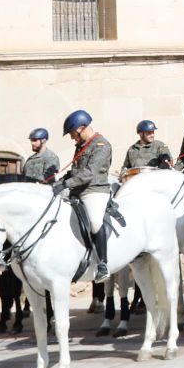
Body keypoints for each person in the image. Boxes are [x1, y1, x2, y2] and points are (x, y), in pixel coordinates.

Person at [54, 111, 115, 280]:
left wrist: (67, 184)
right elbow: (76, 171)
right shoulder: (81, 147)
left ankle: (103, 264)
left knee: (95, 223)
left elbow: (89, 173)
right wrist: (60, 181)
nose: (73, 138)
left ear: (81, 128)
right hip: (77, 191)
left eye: (73, 134)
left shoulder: (102, 145)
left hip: (94, 190)